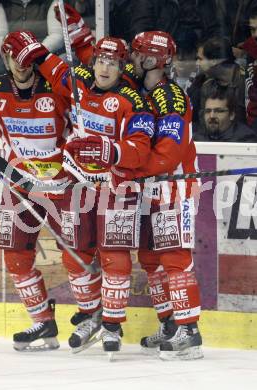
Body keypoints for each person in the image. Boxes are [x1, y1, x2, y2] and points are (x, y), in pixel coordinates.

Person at [3, 27, 155, 355]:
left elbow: (141, 149)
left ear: (121, 68)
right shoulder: (77, 83)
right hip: (76, 185)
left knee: (114, 256)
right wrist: (34, 48)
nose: (104, 68)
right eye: (100, 60)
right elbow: (49, 65)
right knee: (76, 256)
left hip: (116, 187)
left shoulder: (132, 101)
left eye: (112, 64)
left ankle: (112, 325)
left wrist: (109, 150)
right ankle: (91, 314)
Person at [0, 31, 72, 352]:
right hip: (19, 184)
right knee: (16, 254)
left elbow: (84, 122)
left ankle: (94, 315)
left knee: (78, 254)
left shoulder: (56, 89)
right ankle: (42, 321)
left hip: (62, 184)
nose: (20, 66)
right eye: (13, 60)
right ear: (6, 60)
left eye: (25, 60)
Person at [124, 31, 203, 360]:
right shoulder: (140, 91)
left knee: (174, 259)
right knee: (150, 259)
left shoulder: (170, 97)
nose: (131, 59)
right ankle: (170, 324)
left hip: (174, 186)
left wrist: (130, 171)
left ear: (151, 59)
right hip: (148, 188)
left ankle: (190, 331)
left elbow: (169, 154)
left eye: (136, 54)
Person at [0, 0, 63, 76]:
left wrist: (33, 53)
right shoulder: (6, 4)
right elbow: (0, 37)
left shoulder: (50, 2)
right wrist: (11, 55)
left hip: (42, 53)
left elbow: (57, 35)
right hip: (14, 56)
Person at [187, 36, 246, 125]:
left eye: (200, 59)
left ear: (214, 61)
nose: (197, 63)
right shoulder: (205, 84)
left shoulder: (246, 82)